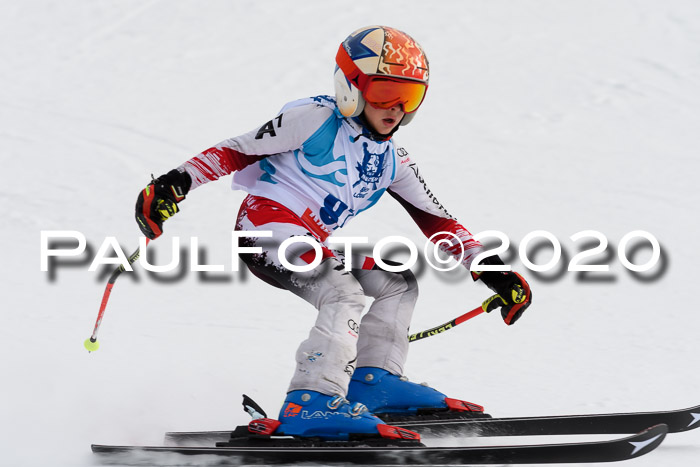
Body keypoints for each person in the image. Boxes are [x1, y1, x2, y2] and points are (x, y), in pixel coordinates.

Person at [135, 25, 532, 441]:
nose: (395, 108)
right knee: (343, 292)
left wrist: (493, 271)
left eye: (409, 96)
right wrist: (172, 185)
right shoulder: (315, 119)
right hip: (264, 229)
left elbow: (438, 221)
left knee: (397, 281)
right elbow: (237, 149)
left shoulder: (392, 159)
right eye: (383, 93)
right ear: (351, 87)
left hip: (310, 239)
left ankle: (373, 382)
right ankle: (311, 403)